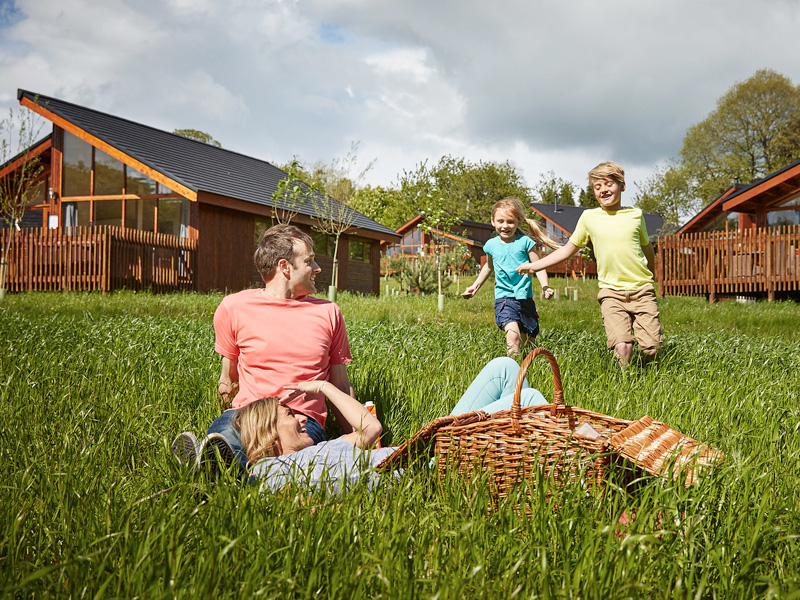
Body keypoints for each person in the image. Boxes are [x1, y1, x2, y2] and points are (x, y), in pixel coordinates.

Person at [231, 357, 549, 493]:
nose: (302, 418)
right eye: (290, 415)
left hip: (424, 449)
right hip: (429, 467)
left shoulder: (319, 450)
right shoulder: (273, 471)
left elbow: (371, 429)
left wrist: (325, 387)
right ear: (269, 434)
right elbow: (265, 485)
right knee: (529, 398)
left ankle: (532, 451)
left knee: (504, 368)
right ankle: (559, 460)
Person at [205, 224, 355, 474]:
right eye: (309, 261)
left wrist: (362, 439)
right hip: (248, 413)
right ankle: (221, 465)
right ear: (285, 267)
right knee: (230, 434)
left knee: (284, 454)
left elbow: (340, 383)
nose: (317, 268)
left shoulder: (328, 312)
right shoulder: (234, 307)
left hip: (301, 419)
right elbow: (228, 379)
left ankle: (220, 474)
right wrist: (227, 413)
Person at [517, 162, 662, 366]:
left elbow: (646, 249)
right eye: (597, 186)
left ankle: (646, 375)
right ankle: (623, 381)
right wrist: (535, 266)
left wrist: (651, 277)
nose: (603, 190)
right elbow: (567, 250)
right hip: (612, 292)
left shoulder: (635, 216)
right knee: (623, 347)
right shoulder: (589, 218)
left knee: (651, 349)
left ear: (622, 186)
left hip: (642, 290)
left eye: (609, 184)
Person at [462, 198, 558, 355]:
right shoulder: (491, 245)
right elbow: (489, 266)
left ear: (518, 222)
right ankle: (512, 368)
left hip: (525, 300)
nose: (505, 226)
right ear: (493, 221)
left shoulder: (525, 242)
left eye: (510, 222)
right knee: (513, 336)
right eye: (500, 221)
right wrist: (475, 286)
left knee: (529, 343)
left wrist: (545, 286)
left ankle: (529, 368)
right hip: (504, 299)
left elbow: (538, 266)